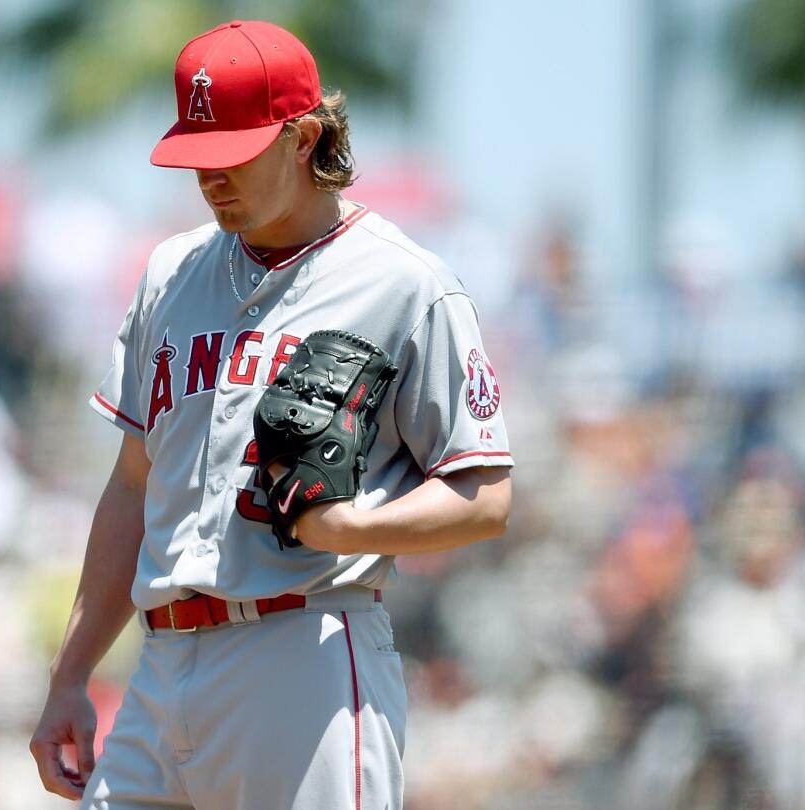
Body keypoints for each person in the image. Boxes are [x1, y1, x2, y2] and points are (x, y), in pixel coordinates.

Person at [30, 19, 513, 810]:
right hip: (161, 667)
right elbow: (131, 487)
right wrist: (71, 674)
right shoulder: (170, 274)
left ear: (304, 137)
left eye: (233, 155)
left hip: (305, 652)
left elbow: (485, 496)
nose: (211, 179)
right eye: (197, 158)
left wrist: (353, 528)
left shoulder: (404, 284)